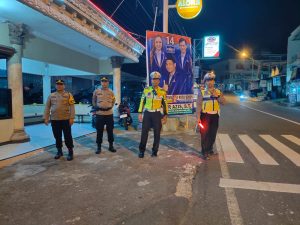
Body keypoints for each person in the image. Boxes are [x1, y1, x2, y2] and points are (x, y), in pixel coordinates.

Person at [138, 71, 168, 158]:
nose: (155, 81)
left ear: (159, 81)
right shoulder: (146, 90)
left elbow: (165, 104)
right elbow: (142, 102)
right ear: (151, 80)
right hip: (147, 114)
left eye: (157, 79)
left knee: (157, 134)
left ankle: (155, 151)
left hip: (157, 114)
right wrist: (140, 113)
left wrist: (165, 115)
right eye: (153, 79)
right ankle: (141, 151)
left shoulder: (162, 91)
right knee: (144, 133)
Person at [196, 72, 225, 160]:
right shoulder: (202, 92)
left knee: (212, 134)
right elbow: (198, 105)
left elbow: (223, 102)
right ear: (205, 82)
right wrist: (198, 117)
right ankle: (205, 152)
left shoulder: (218, 91)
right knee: (204, 134)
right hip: (205, 116)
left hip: (215, 116)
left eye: (211, 80)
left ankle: (209, 149)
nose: (210, 82)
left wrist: (217, 96)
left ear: (214, 81)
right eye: (208, 80)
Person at [44, 79, 75, 161]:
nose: (59, 86)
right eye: (57, 84)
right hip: (55, 119)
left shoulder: (68, 95)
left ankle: (70, 152)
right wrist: (46, 117)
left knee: (68, 136)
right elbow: (47, 107)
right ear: (56, 86)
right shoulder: (51, 95)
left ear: (64, 86)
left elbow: (72, 106)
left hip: (65, 119)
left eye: (61, 84)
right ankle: (59, 151)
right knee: (57, 136)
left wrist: (72, 117)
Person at [92, 76, 116, 154]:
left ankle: (111, 146)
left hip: (109, 114)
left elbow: (113, 101)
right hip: (100, 114)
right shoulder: (96, 91)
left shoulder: (111, 92)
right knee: (99, 131)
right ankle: (99, 147)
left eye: (106, 81)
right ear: (101, 82)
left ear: (108, 83)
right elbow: (94, 101)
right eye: (103, 81)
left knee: (110, 131)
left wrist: (109, 107)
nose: (104, 83)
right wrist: (97, 108)